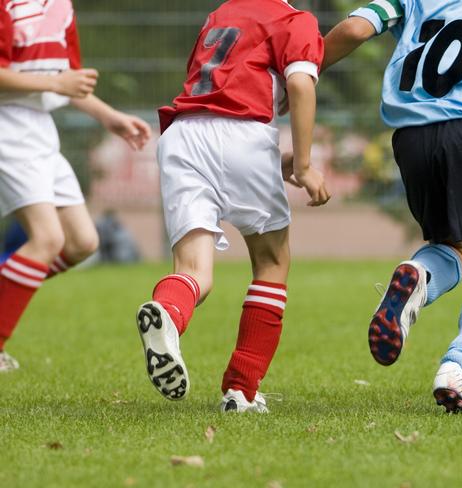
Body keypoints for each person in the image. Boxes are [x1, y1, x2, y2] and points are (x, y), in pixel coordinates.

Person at [323, 0, 462, 414]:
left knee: (455, 248)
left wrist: (300, 74)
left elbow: (356, 30)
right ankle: (460, 370)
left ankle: (420, 274)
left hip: (410, 137)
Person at [135, 0, 329, 412]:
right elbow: (300, 86)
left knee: (192, 271)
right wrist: (306, 164)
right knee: (272, 263)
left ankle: (168, 312)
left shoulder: (220, 15)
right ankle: (242, 390)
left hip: (182, 135)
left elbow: (220, 89)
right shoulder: (296, 19)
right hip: (243, 133)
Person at [0, 0, 151, 372]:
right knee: (46, 239)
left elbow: (69, 78)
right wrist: (55, 82)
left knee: (83, 242)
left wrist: (109, 117)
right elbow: (48, 79)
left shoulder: (61, 6)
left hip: (40, 128)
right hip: (8, 125)